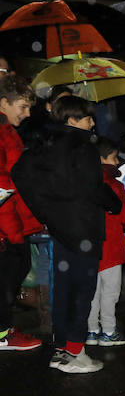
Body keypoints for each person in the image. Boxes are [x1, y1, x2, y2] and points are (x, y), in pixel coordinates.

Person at [13, 95, 123, 372]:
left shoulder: (44, 143)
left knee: (63, 289)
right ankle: (75, 352)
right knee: (82, 290)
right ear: (72, 119)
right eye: (87, 117)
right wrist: (115, 204)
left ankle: (62, 348)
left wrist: (45, 211)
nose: (92, 122)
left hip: (60, 228)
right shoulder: (82, 146)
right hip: (84, 226)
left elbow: (19, 173)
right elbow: (93, 187)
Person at [0, 75, 43, 352]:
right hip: (5, 221)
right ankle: (2, 334)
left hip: (13, 218)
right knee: (7, 277)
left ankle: (3, 328)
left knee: (14, 272)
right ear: (4, 103)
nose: (26, 114)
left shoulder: (7, 130)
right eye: (22, 107)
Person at [87, 138, 125, 346]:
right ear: (102, 158)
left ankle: (91, 331)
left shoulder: (84, 181)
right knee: (110, 291)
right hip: (111, 245)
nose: (117, 162)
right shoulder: (114, 185)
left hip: (89, 245)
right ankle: (108, 331)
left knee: (92, 291)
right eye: (114, 157)